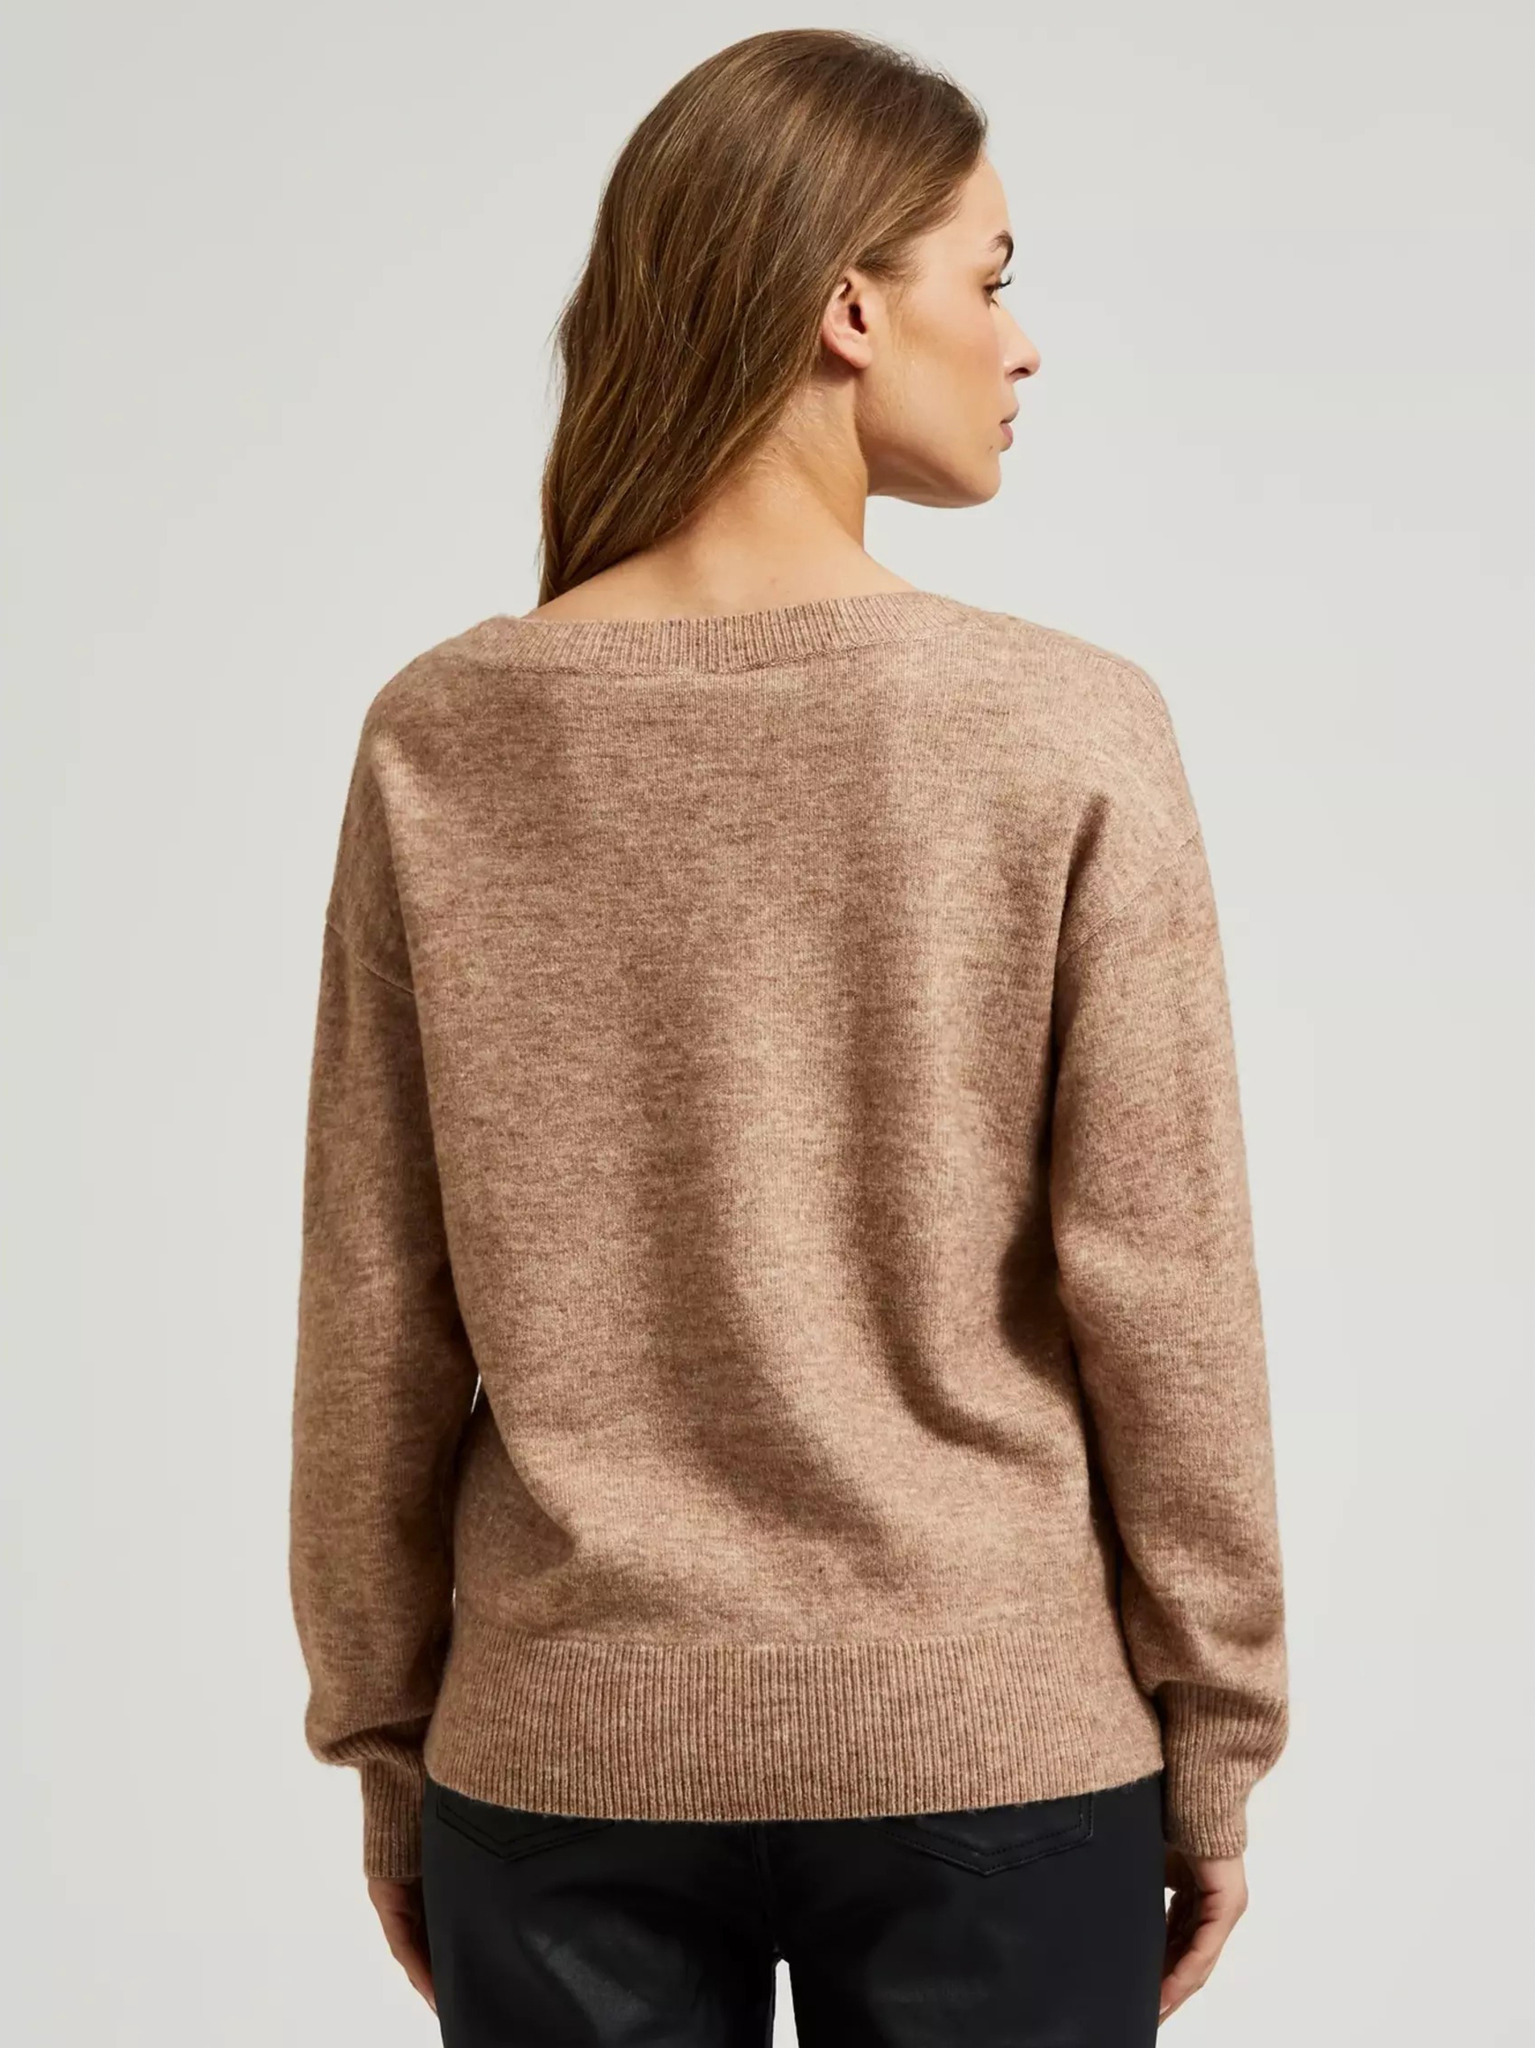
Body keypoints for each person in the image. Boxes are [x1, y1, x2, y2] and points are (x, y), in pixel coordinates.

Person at [287, 28, 1289, 2046]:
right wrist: (1217, 1730)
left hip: (561, 1758)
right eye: (990, 278)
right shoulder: (1064, 727)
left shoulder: (447, 735)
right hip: (997, 1753)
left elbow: (375, 1304)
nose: (1021, 343)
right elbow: (1161, 1283)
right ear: (849, 306)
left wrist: (389, 1739)